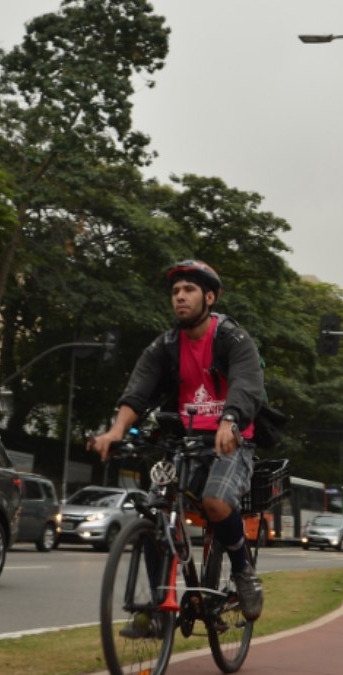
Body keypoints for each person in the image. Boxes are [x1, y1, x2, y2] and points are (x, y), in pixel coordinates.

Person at [89, 259, 264, 623]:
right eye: (175, 292)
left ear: (210, 297)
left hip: (232, 441)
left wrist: (229, 420)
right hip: (183, 442)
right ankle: (156, 611)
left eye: (189, 290)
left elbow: (247, 385)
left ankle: (243, 571)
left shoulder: (233, 338)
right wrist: (115, 431)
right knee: (158, 512)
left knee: (215, 502)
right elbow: (137, 392)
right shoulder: (165, 345)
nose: (180, 298)